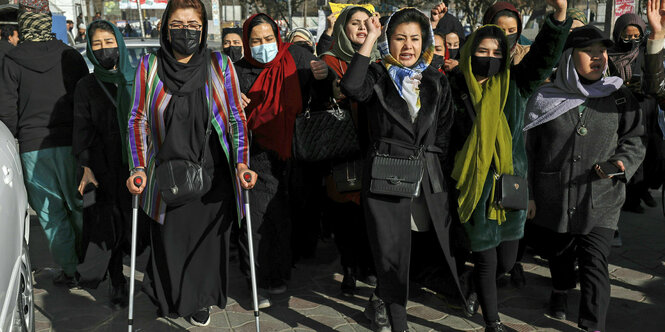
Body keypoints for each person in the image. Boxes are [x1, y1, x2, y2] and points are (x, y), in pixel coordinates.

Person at [125, 0, 256, 326]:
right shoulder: (149, 66)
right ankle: (172, 297)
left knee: (207, 246)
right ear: (166, 27)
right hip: (168, 174)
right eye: (179, 25)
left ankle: (200, 301)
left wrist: (241, 164)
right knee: (172, 243)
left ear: (204, 29)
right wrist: (138, 167)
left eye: (194, 26)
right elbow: (138, 119)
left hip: (213, 176)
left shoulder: (219, 65)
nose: (186, 32)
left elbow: (236, 119)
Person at [340, 8, 466, 332]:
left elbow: (445, 131)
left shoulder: (436, 80)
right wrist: (368, 37)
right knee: (391, 253)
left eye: (415, 38)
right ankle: (399, 324)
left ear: (425, 41)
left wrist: (437, 173)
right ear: (387, 41)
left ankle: (378, 301)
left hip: (426, 181)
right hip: (385, 179)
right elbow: (351, 87)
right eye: (399, 38)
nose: (407, 46)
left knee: (416, 251)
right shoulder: (377, 76)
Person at [447, 1, 570, 330]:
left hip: (509, 189)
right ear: (470, 50)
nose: (490, 58)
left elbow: (545, 56)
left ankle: (473, 284)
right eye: (482, 50)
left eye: (496, 52)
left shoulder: (516, 84)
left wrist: (559, 16)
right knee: (486, 258)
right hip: (473, 190)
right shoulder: (454, 87)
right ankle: (493, 322)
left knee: (506, 261)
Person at [524, 25, 646, 332]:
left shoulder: (620, 97)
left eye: (601, 52)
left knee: (595, 262)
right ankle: (561, 289)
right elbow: (528, 152)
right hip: (554, 194)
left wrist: (621, 163)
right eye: (588, 52)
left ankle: (593, 325)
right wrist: (529, 194)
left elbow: (635, 140)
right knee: (560, 254)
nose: (598, 58)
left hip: (601, 197)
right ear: (568, 57)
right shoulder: (544, 97)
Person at [233, 13, 335, 308]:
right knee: (260, 218)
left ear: (278, 37)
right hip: (257, 156)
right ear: (246, 43)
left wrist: (323, 77)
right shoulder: (238, 71)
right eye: (255, 41)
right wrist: (230, 100)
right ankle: (258, 280)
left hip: (299, 152)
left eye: (268, 39)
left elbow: (324, 92)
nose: (263, 46)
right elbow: (221, 107)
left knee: (288, 214)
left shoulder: (297, 58)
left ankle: (280, 271)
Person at [0, 0, 89, 286]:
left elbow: (6, 110)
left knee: (51, 215)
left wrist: (23, 133)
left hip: (33, 149)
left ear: (23, 25)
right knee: (79, 205)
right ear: (49, 22)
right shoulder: (71, 57)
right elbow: (86, 100)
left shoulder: (11, 61)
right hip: (72, 145)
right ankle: (90, 265)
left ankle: (71, 270)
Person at [73, 20, 145, 307]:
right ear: (90, 49)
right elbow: (82, 129)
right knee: (112, 225)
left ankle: (151, 277)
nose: (105, 49)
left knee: (140, 224)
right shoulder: (86, 86)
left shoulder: (138, 78)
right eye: (98, 44)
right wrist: (86, 166)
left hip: (139, 161)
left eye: (109, 42)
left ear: (120, 42)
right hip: (106, 166)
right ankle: (117, 280)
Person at [319, 5, 378, 297]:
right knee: (345, 214)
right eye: (355, 23)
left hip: (374, 146)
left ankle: (368, 265)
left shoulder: (380, 61)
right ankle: (350, 269)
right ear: (343, 28)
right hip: (342, 148)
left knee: (371, 212)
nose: (361, 28)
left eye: (366, 24)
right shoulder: (329, 61)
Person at [609, 12, 664, 215]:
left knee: (655, 153)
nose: (632, 40)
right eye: (627, 36)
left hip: (648, 108)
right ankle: (632, 197)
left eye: (636, 36)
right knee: (632, 152)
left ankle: (645, 188)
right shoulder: (609, 55)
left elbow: (656, 75)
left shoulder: (647, 51)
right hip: (622, 109)